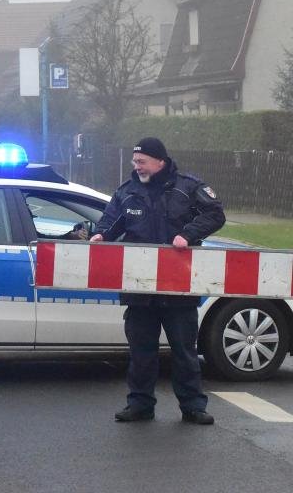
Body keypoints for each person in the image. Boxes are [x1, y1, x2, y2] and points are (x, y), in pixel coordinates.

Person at [90, 137, 225, 425]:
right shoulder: (127, 192)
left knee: (185, 352)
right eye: (134, 162)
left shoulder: (188, 187)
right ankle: (140, 405)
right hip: (140, 289)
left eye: (142, 161)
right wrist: (101, 236)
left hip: (178, 287)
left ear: (160, 161)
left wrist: (188, 234)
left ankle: (192, 406)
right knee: (141, 353)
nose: (136, 166)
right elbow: (110, 222)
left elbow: (215, 214)